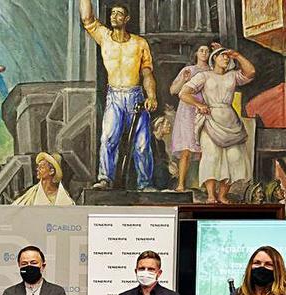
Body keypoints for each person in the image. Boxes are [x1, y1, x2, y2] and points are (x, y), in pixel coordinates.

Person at [80, 0, 158, 190]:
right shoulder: (104, 37)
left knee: (141, 144)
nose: (114, 16)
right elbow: (87, 18)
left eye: (119, 14)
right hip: (114, 96)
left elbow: (147, 72)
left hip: (136, 97)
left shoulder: (140, 43)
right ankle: (106, 179)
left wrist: (152, 96)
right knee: (108, 138)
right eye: (112, 13)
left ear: (127, 18)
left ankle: (145, 183)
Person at [180, 46, 257, 203]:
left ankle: (222, 195)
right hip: (211, 120)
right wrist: (199, 105)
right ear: (214, 58)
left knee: (234, 158)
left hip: (230, 121)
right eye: (222, 56)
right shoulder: (204, 76)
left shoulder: (233, 76)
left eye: (228, 57)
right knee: (212, 156)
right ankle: (210, 195)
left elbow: (251, 72)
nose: (226, 58)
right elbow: (183, 93)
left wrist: (237, 55)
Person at [169, 44, 211, 192]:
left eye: (207, 51)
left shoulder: (212, 71)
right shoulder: (189, 70)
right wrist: (184, 80)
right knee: (186, 149)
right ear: (196, 53)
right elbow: (173, 90)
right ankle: (181, 184)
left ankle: (204, 185)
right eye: (201, 50)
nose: (205, 53)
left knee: (205, 150)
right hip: (187, 111)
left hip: (205, 110)